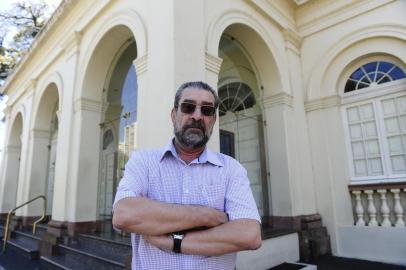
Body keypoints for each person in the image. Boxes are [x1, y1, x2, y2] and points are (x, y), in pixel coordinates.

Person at [112, 81, 261, 269]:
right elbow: (124, 215)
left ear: (213, 120)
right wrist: (208, 216)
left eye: (206, 110)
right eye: (188, 107)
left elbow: (249, 235)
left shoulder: (231, 169)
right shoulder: (143, 161)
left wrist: (173, 242)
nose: (197, 116)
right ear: (174, 115)